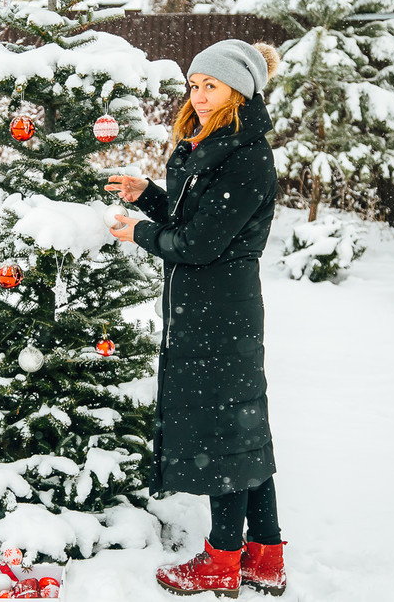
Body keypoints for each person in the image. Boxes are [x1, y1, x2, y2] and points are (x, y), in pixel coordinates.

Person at [106, 40, 286, 597]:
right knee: (242, 430)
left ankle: (222, 560)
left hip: (221, 308)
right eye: (194, 84)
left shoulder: (246, 153)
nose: (200, 95)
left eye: (212, 85)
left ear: (239, 90)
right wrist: (149, 197)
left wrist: (140, 234)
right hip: (203, 307)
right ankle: (265, 554)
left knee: (226, 433)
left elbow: (202, 243)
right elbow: (194, 217)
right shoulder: (210, 141)